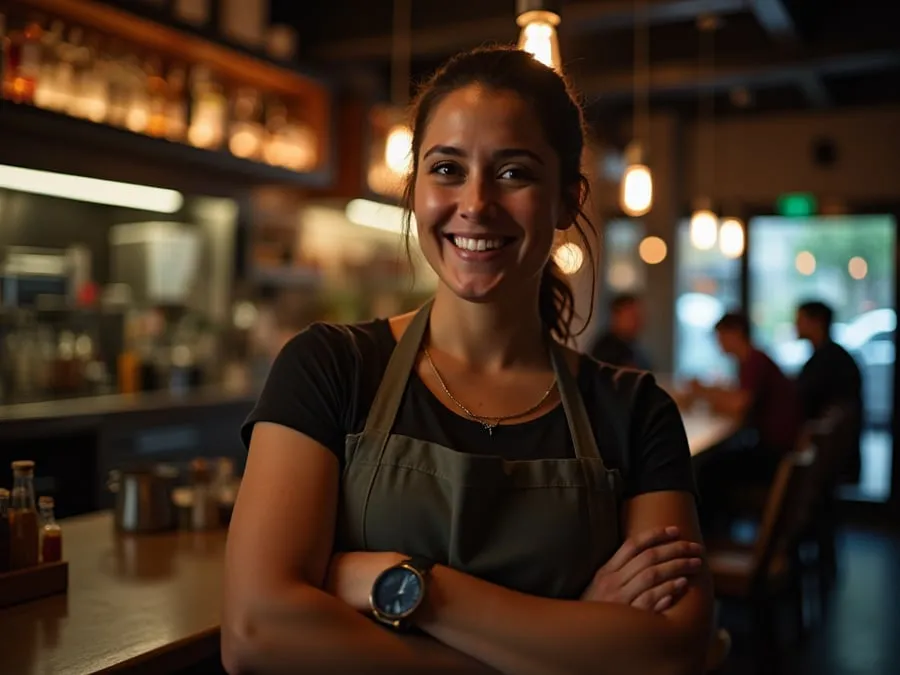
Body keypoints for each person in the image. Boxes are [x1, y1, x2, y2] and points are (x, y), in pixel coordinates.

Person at [223, 46, 713, 675]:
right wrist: (567, 647)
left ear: (568, 201)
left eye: (514, 173)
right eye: (447, 169)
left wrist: (409, 587)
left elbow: (673, 652)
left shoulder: (635, 411)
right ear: (415, 189)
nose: (476, 203)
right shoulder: (329, 367)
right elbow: (256, 632)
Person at [795, 300, 863, 483]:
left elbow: (804, 400)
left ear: (817, 322)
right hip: (832, 455)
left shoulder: (827, 361)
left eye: (800, 320)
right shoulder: (832, 357)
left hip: (824, 456)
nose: (795, 325)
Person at [590, 293, 653, 370]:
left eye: (639, 316)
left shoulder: (634, 348)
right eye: (632, 316)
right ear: (616, 316)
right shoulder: (605, 350)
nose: (638, 321)